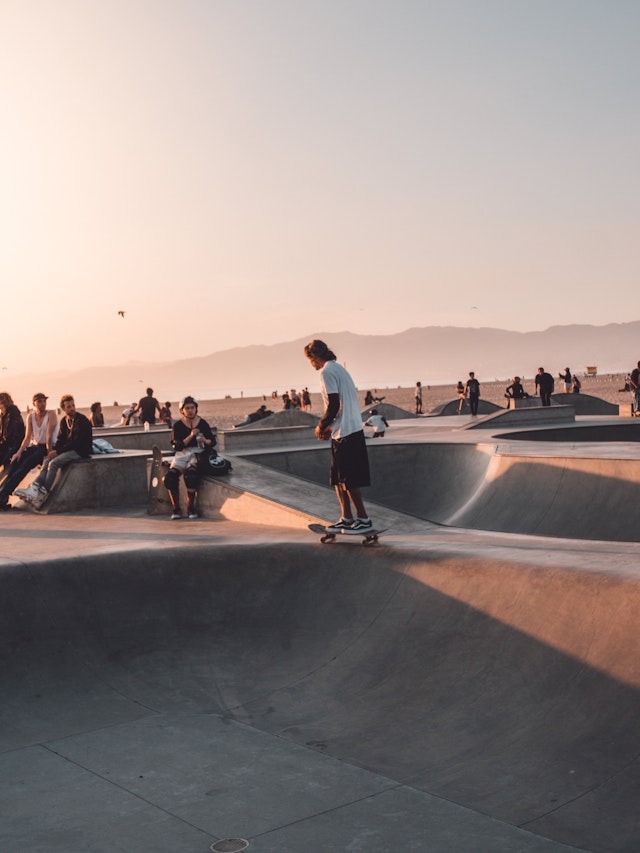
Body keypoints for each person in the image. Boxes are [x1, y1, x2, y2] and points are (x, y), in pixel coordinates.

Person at [304, 339, 372, 534]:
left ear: (314, 357)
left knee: (349, 479)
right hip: (345, 429)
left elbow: (334, 404)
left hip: (346, 432)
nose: (312, 366)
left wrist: (321, 425)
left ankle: (363, 519)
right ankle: (346, 518)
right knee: (337, 479)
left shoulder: (326, 372)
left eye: (311, 361)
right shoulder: (340, 370)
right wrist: (330, 426)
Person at [16, 394, 92, 509]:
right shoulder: (64, 421)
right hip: (70, 449)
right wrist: (52, 451)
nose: (72, 408)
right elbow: (61, 440)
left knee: (54, 463)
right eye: (68, 407)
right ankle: (35, 488)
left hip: (81, 451)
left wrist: (58, 452)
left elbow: (77, 442)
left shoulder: (81, 420)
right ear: (63, 409)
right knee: (47, 460)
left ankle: (42, 495)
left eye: (73, 405)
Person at [0, 392, 58, 511]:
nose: (43, 404)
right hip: (35, 446)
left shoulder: (51, 414)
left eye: (44, 401)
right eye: (40, 401)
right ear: (34, 404)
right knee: (16, 463)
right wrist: (19, 452)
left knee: (26, 464)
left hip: (48, 447)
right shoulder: (30, 417)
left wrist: (49, 453)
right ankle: (2, 494)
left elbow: (48, 436)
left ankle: (3, 493)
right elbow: (27, 438)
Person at [163, 396, 215, 519]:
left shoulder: (202, 423)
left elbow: (212, 441)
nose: (190, 410)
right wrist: (191, 436)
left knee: (190, 476)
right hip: (183, 454)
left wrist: (205, 440)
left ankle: (191, 508)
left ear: (196, 409)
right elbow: (177, 446)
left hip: (198, 454)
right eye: (187, 408)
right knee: (170, 478)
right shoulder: (178, 426)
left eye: (192, 408)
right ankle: (176, 509)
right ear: (182, 410)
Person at [0, 392, 26, 478]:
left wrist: (11, 447)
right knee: (7, 471)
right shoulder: (3, 414)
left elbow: (13, 433)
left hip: (11, 446)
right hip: (7, 445)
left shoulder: (12, 412)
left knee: (9, 471)